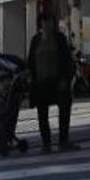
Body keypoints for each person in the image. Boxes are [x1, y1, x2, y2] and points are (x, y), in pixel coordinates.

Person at [27, 10, 78, 153]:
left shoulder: (60, 38)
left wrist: (65, 79)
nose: (47, 25)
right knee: (42, 114)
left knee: (64, 111)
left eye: (49, 22)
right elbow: (31, 60)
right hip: (41, 83)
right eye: (44, 22)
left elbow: (67, 60)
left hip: (58, 82)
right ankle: (46, 143)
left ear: (53, 23)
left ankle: (63, 141)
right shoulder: (36, 40)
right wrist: (31, 77)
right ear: (41, 24)